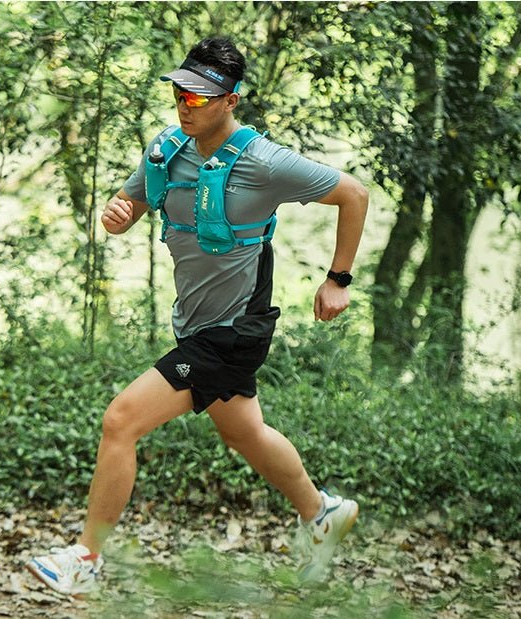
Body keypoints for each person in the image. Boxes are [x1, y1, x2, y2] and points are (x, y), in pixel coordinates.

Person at [27, 37, 369, 596]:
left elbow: (354, 194)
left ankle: (85, 559)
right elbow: (130, 203)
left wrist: (338, 280)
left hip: (233, 329)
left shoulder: (264, 161)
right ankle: (321, 511)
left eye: (201, 97)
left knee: (121, 421)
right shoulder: (168, 148)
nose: (187, 104)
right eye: (181, 92)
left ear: (231, 100)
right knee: (245, 432)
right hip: (197, 322)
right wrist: (119, 214)